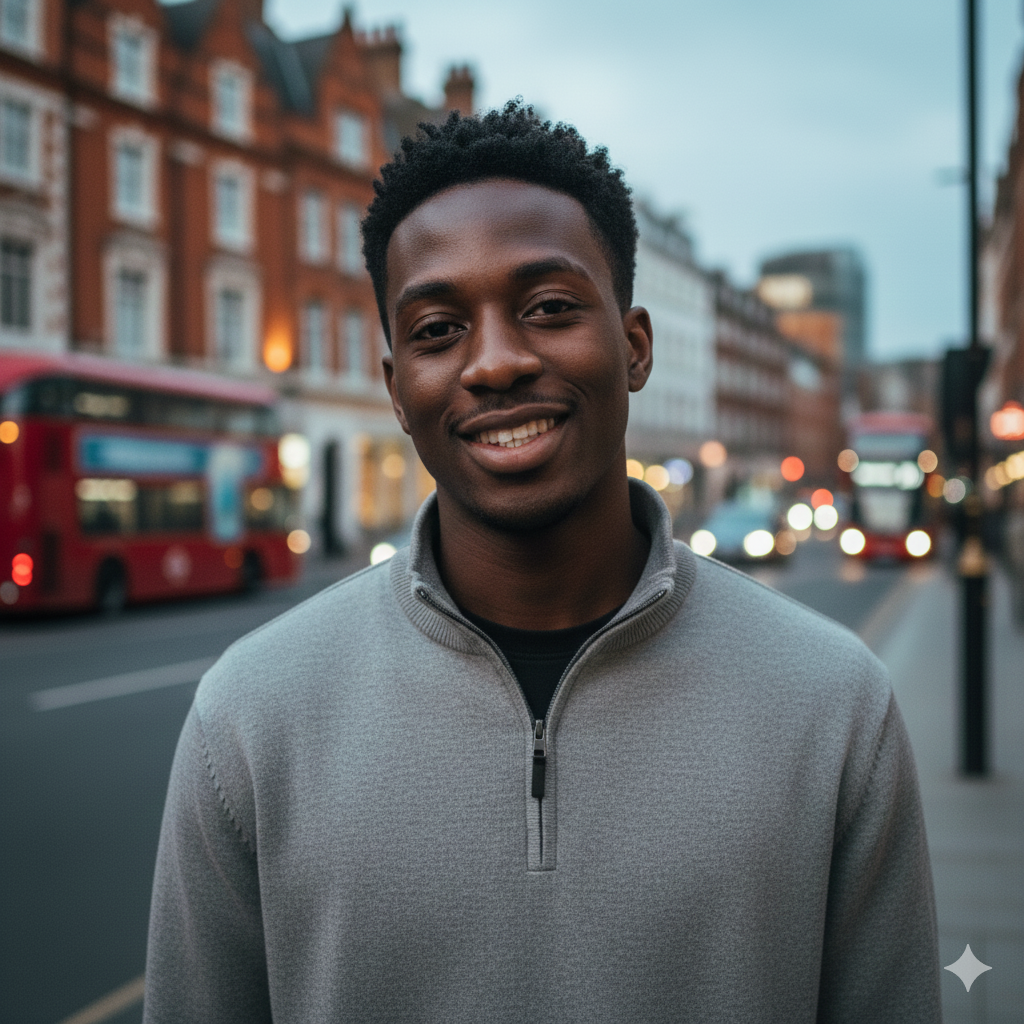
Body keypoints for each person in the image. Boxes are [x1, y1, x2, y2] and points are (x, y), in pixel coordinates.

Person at [143, 101, 941, 1022]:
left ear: (634, 347)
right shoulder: (248, 718)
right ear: (397, 386)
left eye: (549, 308)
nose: (495, 363)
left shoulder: (835, 703)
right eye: (438, 329)